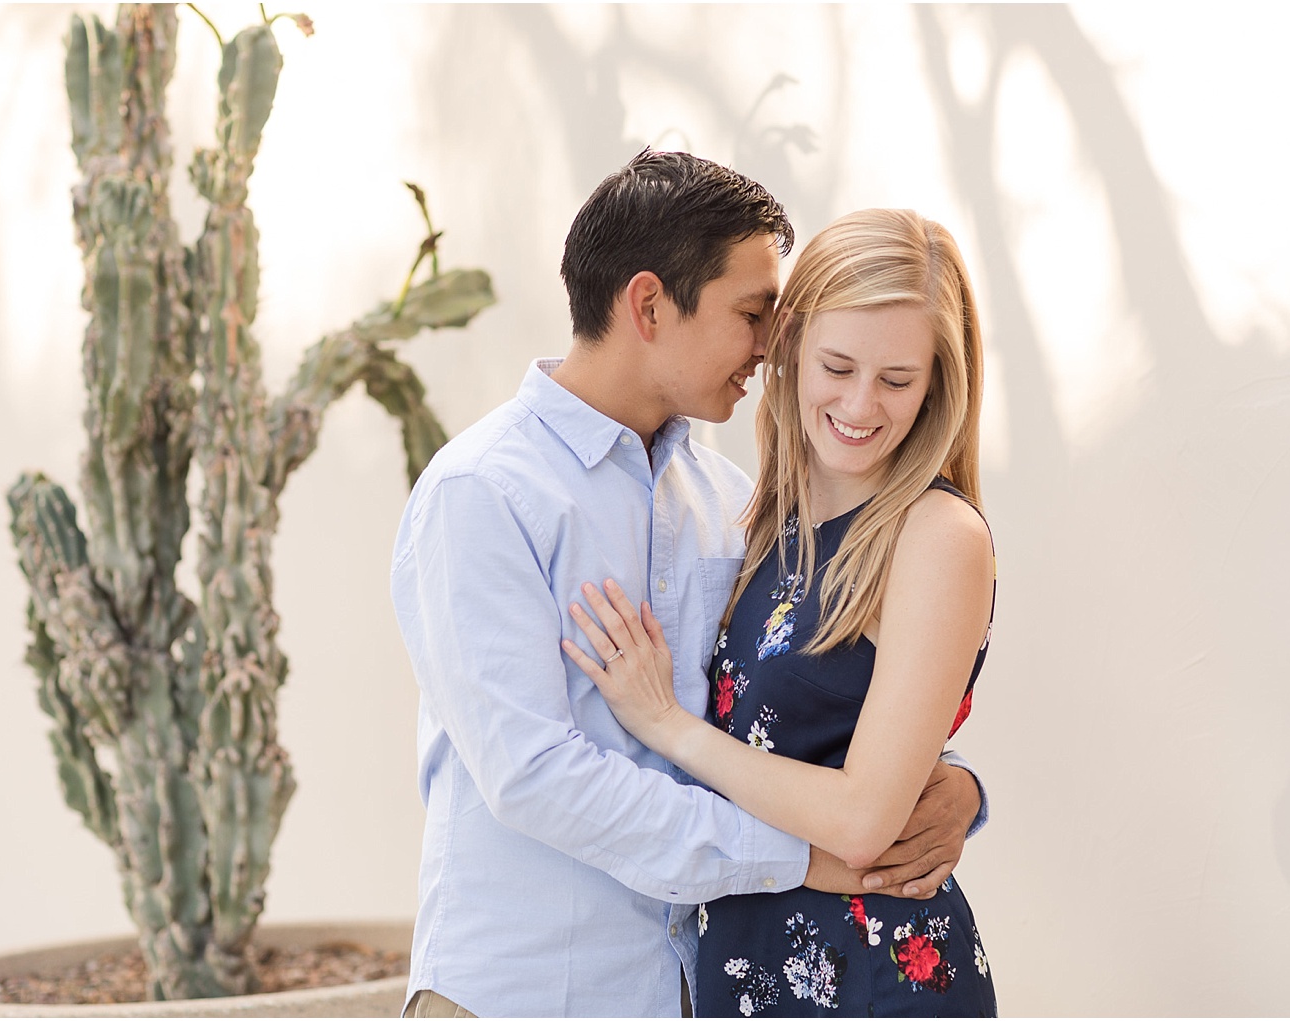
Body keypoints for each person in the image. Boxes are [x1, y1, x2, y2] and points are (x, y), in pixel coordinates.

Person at [392, 155, 987, 1018]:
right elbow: (534, 776)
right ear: (648, 305)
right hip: (528, 991)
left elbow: (792, 708)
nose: (767, 345)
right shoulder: (483, 494)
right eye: (752, 313)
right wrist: (807, 856)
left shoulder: (727, 503)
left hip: (691, 989)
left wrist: (946, 785)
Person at [566, 208, 999, 1016]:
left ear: (940, 379)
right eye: (838, 365)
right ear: (789, 343)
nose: (861, 404)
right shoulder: (760, 517)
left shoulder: (937, 536)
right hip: (744, 963)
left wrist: (669, 726)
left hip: (873, 977)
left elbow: (865, 820)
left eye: (899, 380)